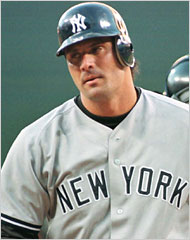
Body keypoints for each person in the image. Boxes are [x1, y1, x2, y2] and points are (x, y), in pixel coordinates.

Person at [1, 2, 189, 239]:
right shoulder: (37, 142)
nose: (86, 64)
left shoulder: (184, 126)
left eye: (96, 49)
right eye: (74, 56)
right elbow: (11, 232)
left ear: (124, 50)